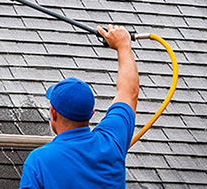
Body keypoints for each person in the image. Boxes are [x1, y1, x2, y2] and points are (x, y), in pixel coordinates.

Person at [19, 25, 139, 189]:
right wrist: (123, 45)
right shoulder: (111, 141)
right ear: (91, 113)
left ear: (53, 112)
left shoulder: (40, 161)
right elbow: (129, 92)